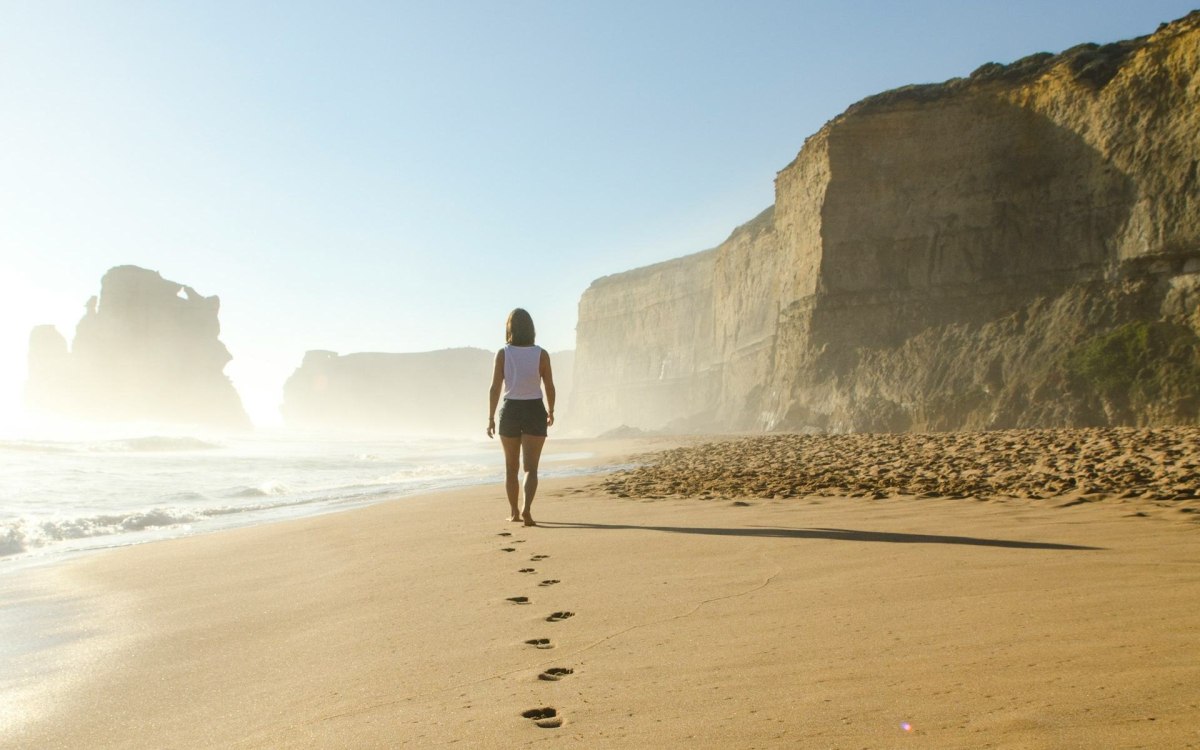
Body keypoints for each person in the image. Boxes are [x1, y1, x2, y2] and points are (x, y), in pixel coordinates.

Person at [487, 308, 555, 526]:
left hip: (510, 410)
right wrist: (551, 410)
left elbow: (495, 388)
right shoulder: (541, 354)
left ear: (510, 328)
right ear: (531, 329)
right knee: (531, 469)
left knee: (511, 468)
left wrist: (490, 418)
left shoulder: (503, 353)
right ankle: (527, 509)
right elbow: (550, 386)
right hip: (535, 408)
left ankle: (515, 512)